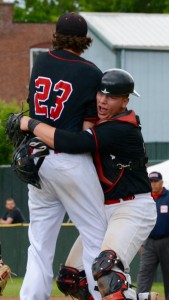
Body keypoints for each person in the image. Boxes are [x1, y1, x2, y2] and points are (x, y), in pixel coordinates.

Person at [19, 68, 157, 300]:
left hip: (131, 209)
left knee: (106, 274)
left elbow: (71, 142)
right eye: (100, 94)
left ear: (125, 100)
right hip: (103, 210)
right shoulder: (102, 122)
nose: (103, 100)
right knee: (73, 280)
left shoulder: (121, 128)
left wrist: (31, 124)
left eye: (111, 96)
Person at [19, 12, 107, 300]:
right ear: (84, 40)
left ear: (56, 34)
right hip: (70, 159)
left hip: (37, 159)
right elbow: (87, 130)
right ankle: (102, 294)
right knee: (97, 236)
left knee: (39, 245)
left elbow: (34, 112)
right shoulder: (91, 72)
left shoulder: (41, 62)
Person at [137, 171, 169, 300]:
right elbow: (138, 221)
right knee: (144, 273)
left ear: (162, 182)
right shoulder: (144, 199)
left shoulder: (168, 197)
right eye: (151, 181)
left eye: (156, 181)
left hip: (167, 241)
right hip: (148, 242)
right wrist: (138, 242)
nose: (153, 184)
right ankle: (141, 297)